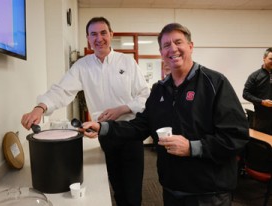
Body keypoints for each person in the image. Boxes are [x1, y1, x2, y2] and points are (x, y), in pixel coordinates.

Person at [82, 23, 250, 206]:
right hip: (171, 187)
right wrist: (102, 127)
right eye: (166, 45)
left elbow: (236, 136)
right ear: (161, 52)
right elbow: (141, 126)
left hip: (208, 193)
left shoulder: (214, 83)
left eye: (178, 42)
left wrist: (192, 147)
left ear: (190, 46)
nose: (173, 49)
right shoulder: (159, 89)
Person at [21, 17, 150, 206]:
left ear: (111, 34)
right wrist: (40, 107)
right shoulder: (82, 66)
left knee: (132, 192)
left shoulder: (127, 62)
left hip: (130, 132)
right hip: (105, 133)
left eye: (103, 32)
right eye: (93, 34)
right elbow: (62, 90)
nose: (99, 38)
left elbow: (145, 96)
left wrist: (122, 108)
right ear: (88, 39)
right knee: (117, 188)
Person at [243, 47, 272, 135]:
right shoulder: (255, 76)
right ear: (264, 58)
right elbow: (246, 94)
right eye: (271, 59)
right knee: (263, 146)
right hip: (261, 120)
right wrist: (262, 102)